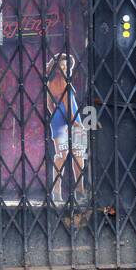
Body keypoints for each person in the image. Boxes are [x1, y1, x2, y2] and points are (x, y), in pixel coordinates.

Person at [46, 53, 87, 201]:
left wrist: (57, 115)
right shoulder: (63, 82)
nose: (65, 69)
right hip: (71, 119)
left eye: (66, 66)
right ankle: (80, 191)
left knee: (61, 156)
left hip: (58, 120)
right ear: (57, 69)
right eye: (62, 66)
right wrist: (76, 123)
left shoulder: (51, 83)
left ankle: (56, 191)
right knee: (77, 155)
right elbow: (68, 106)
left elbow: (49, 104)